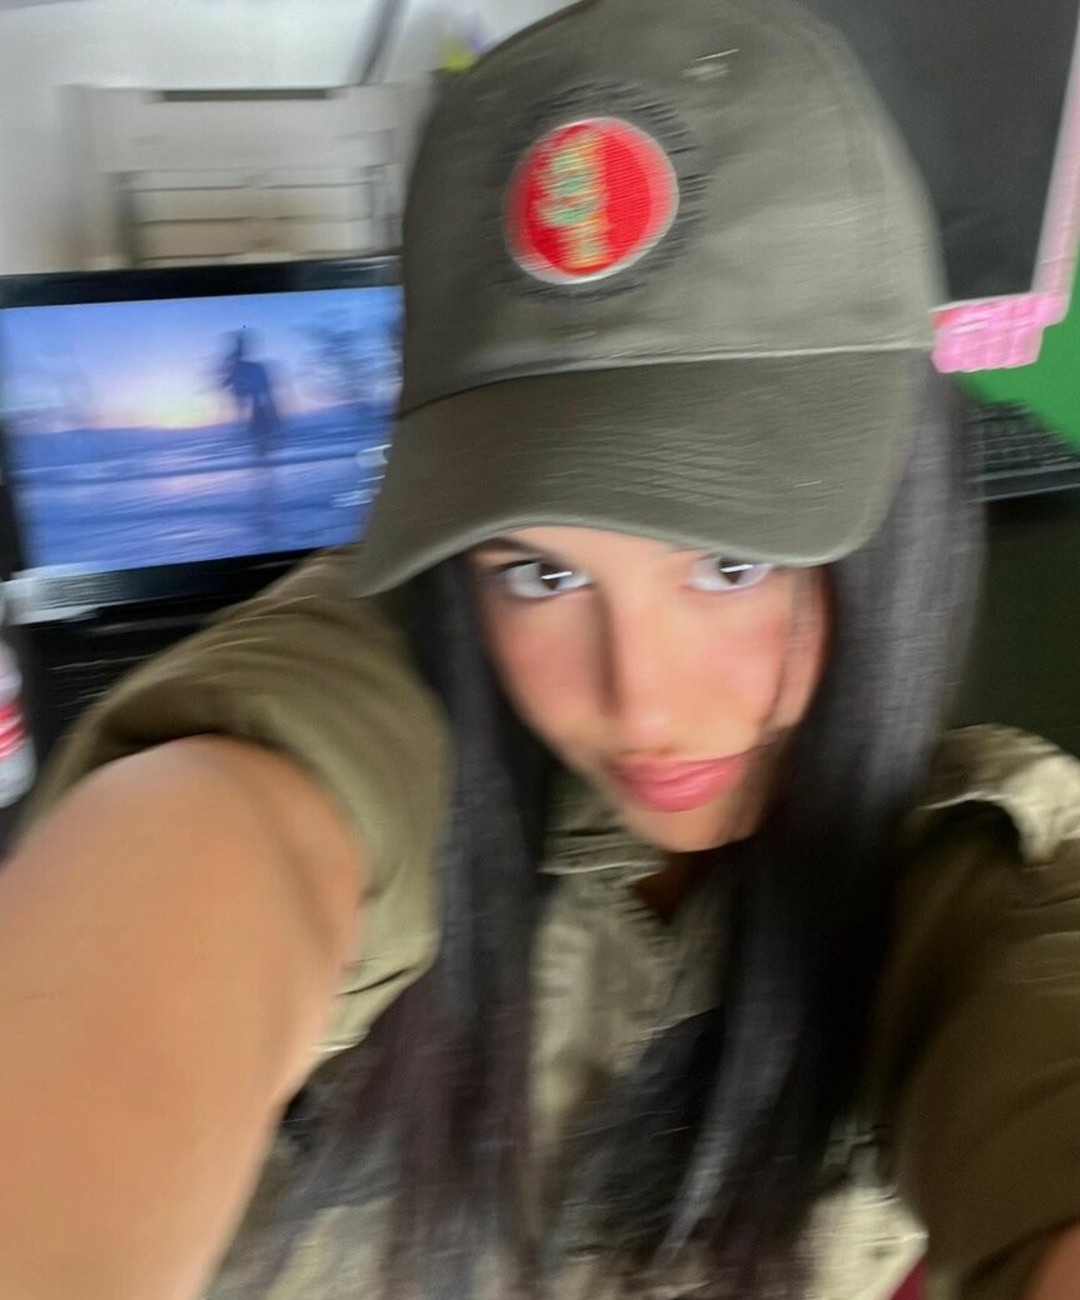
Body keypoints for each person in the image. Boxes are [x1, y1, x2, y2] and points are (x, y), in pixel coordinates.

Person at [2, 2, 1080, 1299]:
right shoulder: (374, 703)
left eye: (732, 563)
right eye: (542, 572)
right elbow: (220, 839)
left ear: (899, 512)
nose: (646, 705)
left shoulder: (963, 880)